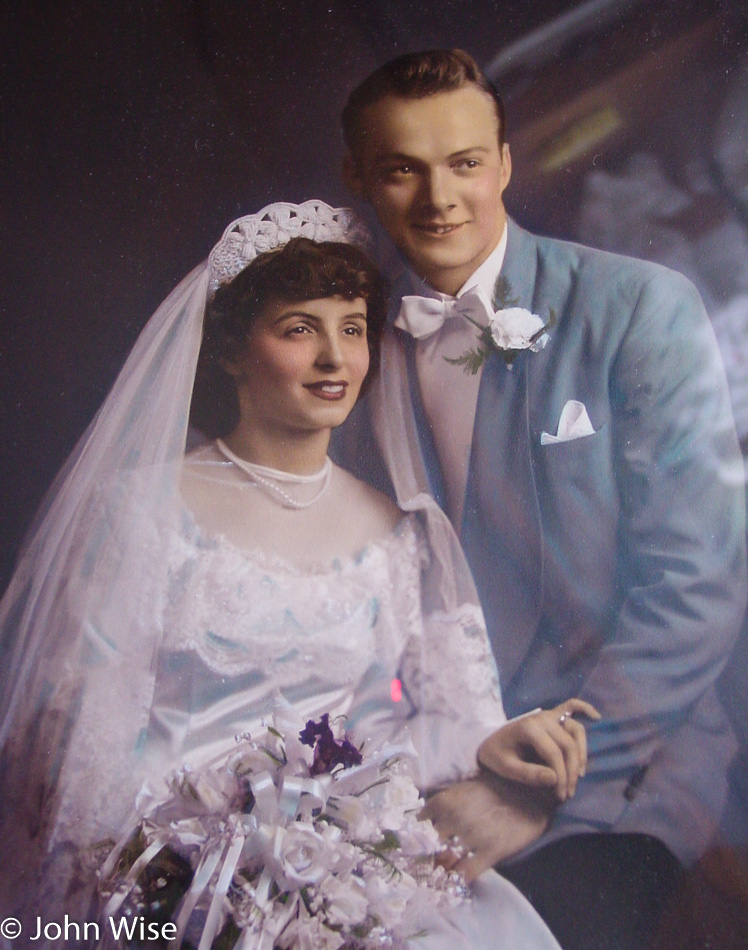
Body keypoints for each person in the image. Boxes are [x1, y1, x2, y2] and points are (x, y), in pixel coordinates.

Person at [0, 200, 593, 949]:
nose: (334, 360)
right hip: (164, 877)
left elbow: (396, 722)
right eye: (298, 329)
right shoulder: (143, 511)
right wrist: (205, 871)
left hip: (342, 872)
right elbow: (84, 754)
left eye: (351, 329)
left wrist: (485, 743)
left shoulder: (394, 531)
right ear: (228, 351)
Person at [336, 50, 748, 949]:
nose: (440, 199)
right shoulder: (353, 355)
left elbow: (699, 586)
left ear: (506, 163)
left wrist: (536, 782)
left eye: (466, 163)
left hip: (629, 766)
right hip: (437, 758)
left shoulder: (639, 306)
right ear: (360, 176)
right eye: (404, 169)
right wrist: (440, 767)